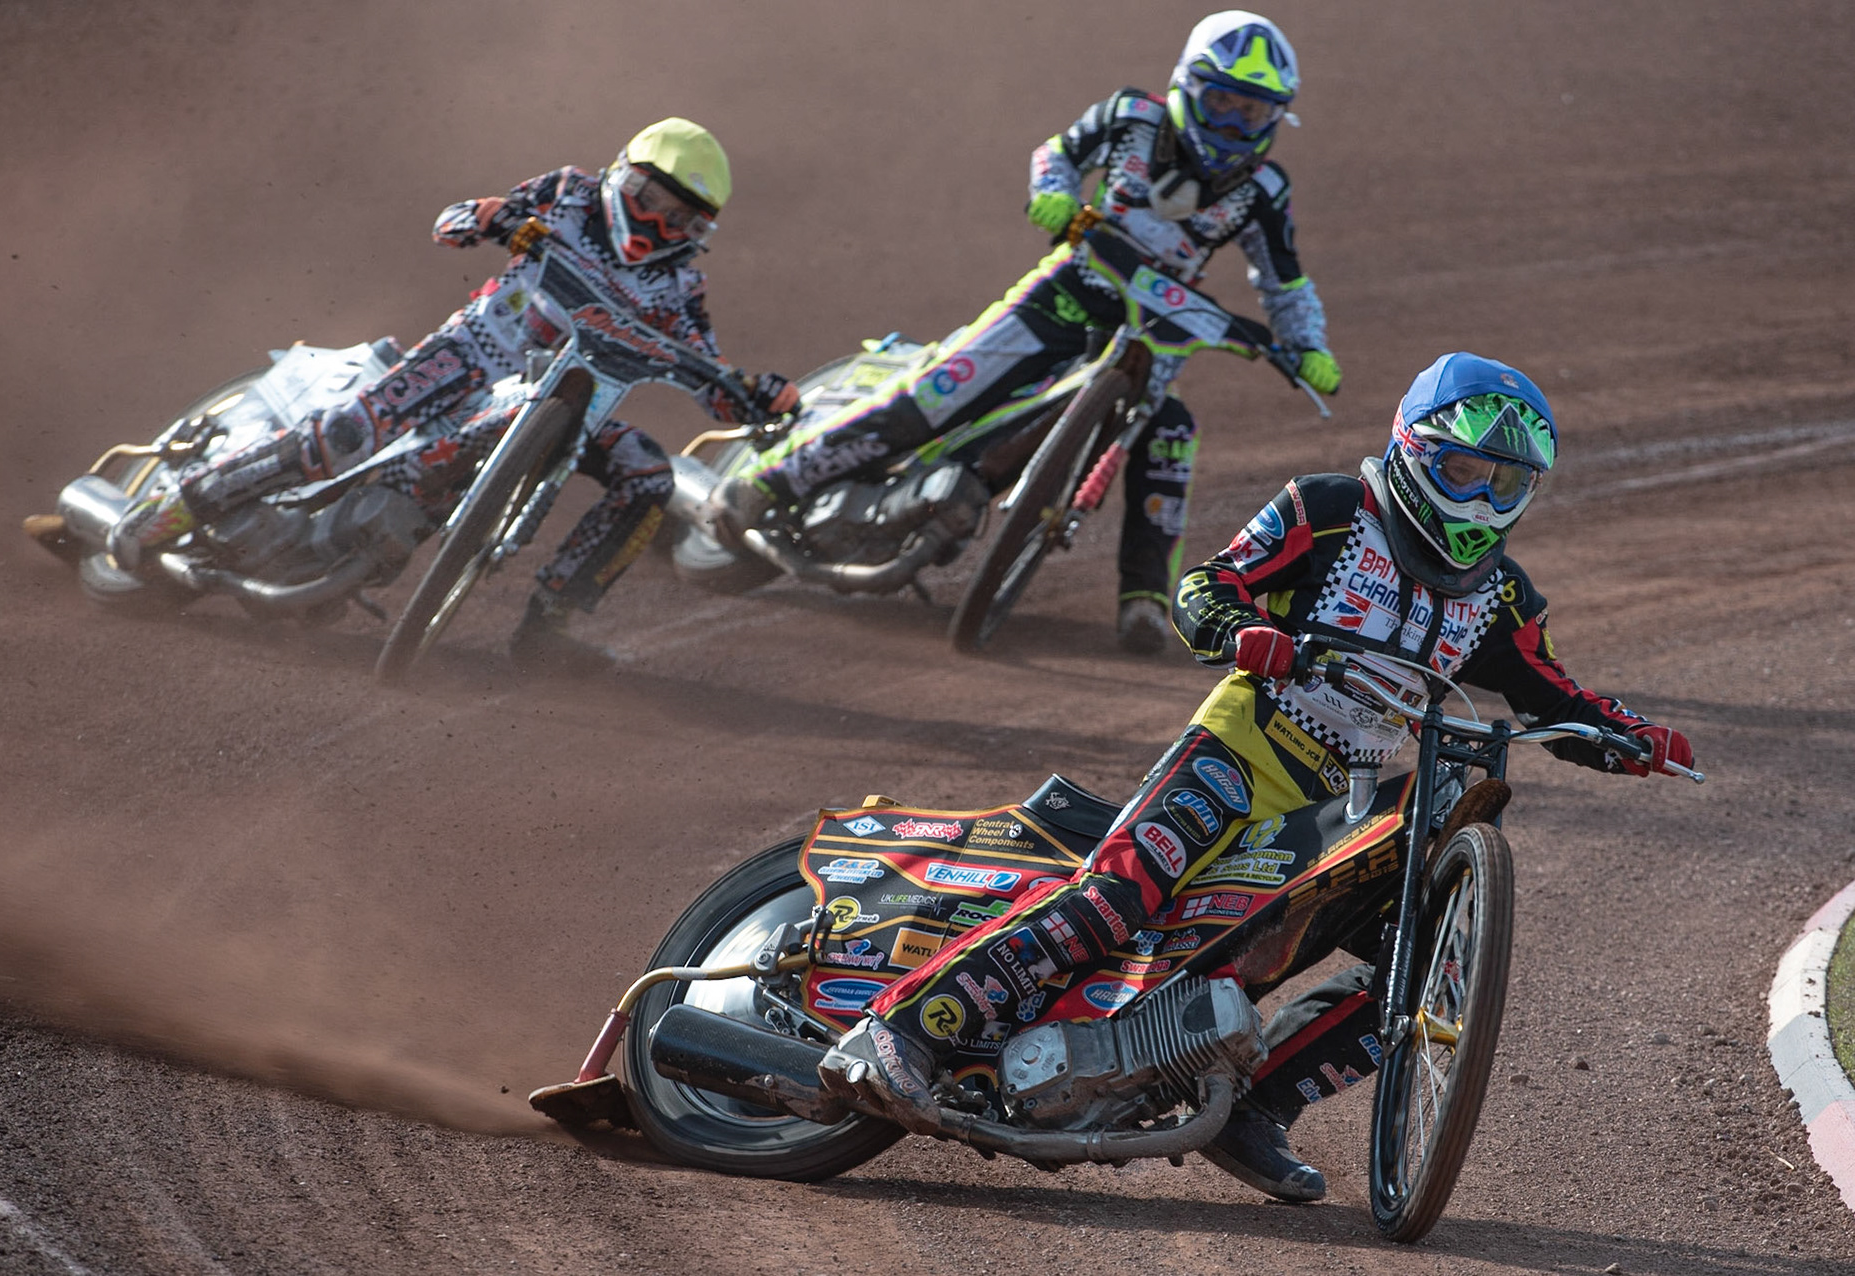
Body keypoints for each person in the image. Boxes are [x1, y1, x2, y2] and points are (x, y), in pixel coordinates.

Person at [817, 352, 1695, 1201]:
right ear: (1415, 450)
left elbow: (1556, 694)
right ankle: (902, 1028)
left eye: (1506, 484)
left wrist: (1631, 736)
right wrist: (1243, 631)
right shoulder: (1328, 510)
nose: (1482, 499)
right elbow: (1205, 587)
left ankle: (1257, 1106)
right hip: (1240, 751)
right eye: (1466, 470)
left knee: (1416, 958)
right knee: (1121, 895)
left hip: (1336, 805)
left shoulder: (1505, 596)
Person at [709, 11, 1340, 653]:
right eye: (1223, 103)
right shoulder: (1131, 116)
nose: (1234, 125)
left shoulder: (1264, 188)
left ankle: (1147, 601)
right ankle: (770, 484)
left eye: (1253, 115)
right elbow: (1059, 155)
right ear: (1186, 86)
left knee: (1169, 431)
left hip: (1153, 330)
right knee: (939, 393)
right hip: (1064, 293)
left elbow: (1283, 281)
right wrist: (1053, 193)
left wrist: (1308, 344)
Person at [108, 118, 799, 669]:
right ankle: (178, 506)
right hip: (470, 356)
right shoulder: (568, 195)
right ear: (624, 177)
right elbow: (452, 222)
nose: (658, 226)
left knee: (647, 473)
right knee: (347, 433)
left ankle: (549, 628)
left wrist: (756, 395)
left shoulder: (681, 287)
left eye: (681, 220)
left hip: (575, 410)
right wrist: (487, 218)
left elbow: (708, 370)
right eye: (651, 202)